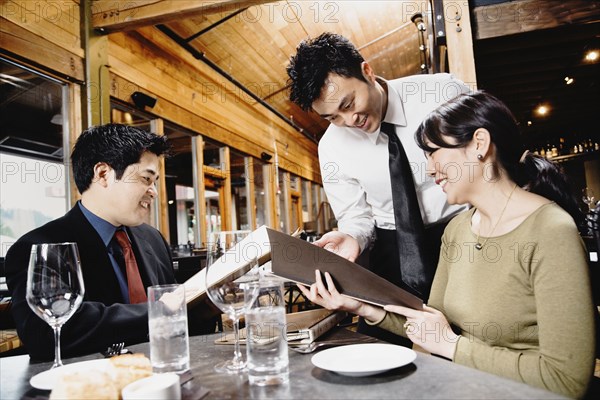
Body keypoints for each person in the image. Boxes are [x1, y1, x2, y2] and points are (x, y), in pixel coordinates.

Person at [298, 91, 595, 398]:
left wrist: (452, 346)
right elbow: (431, 323)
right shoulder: (458, 229)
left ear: (479, 144)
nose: (429, 169)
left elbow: (566, 380)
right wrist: (359, 305)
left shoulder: (551, 231)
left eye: (434, 152)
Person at [287, 32, 469, 343]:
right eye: (333, 116)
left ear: (367, 72)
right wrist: (352, 236)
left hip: (464, 234)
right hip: (395, 248)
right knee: (381, 344)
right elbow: (357, 217)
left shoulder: (441, 92)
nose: (349, 120)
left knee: (466, 340)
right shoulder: (331, 146)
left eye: (349, 103)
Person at [5, 124, 216, 360]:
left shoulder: (152, 239)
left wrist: (206, 308)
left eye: (155, 181)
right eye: (146, 179)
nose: (154, 191)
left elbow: (178, 326)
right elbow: (46, 334)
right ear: (103, 174)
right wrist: (160, 310)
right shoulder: (39, 246)